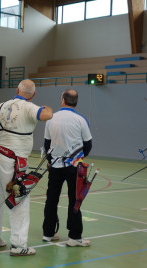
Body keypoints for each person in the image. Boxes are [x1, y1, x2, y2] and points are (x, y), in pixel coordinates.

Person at [0, 79, 53, 256]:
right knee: (19, 200)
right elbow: (46, 116)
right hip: (13, 160)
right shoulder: (29, 107)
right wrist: (49, 109)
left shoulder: (2, 105)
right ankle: (18, 245)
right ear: (34, 94)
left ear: (16, 90)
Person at [42, 89, 92, 247]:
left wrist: (50, 160)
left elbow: (47, 144)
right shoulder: (80, 120)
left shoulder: (51, 118)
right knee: (75, 199)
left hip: (55, 166)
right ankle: (75, 236)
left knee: (51, 199)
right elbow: (88, 145)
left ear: (62, 100)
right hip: (74, 167)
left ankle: (48, 233)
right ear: (75, 102)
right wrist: (78, 159)